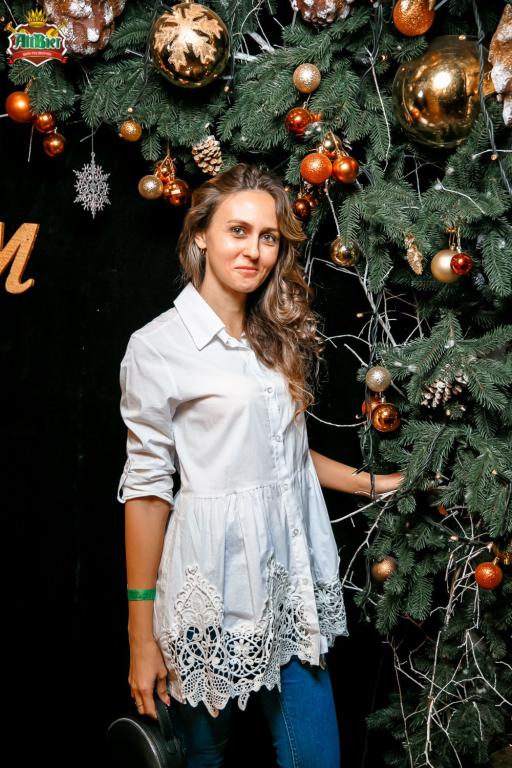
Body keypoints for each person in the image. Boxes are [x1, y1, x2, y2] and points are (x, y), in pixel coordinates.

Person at [117, 162, 404, 767]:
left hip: (288, 583)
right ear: (201, 234)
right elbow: (146, 492)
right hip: (208, 590)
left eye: (267, 237)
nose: (253, 250)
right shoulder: (157, 347)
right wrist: (141, 637)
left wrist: (375, 484)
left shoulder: (274, 336)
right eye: (237, 231)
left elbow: (286, 453)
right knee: (203, 760)